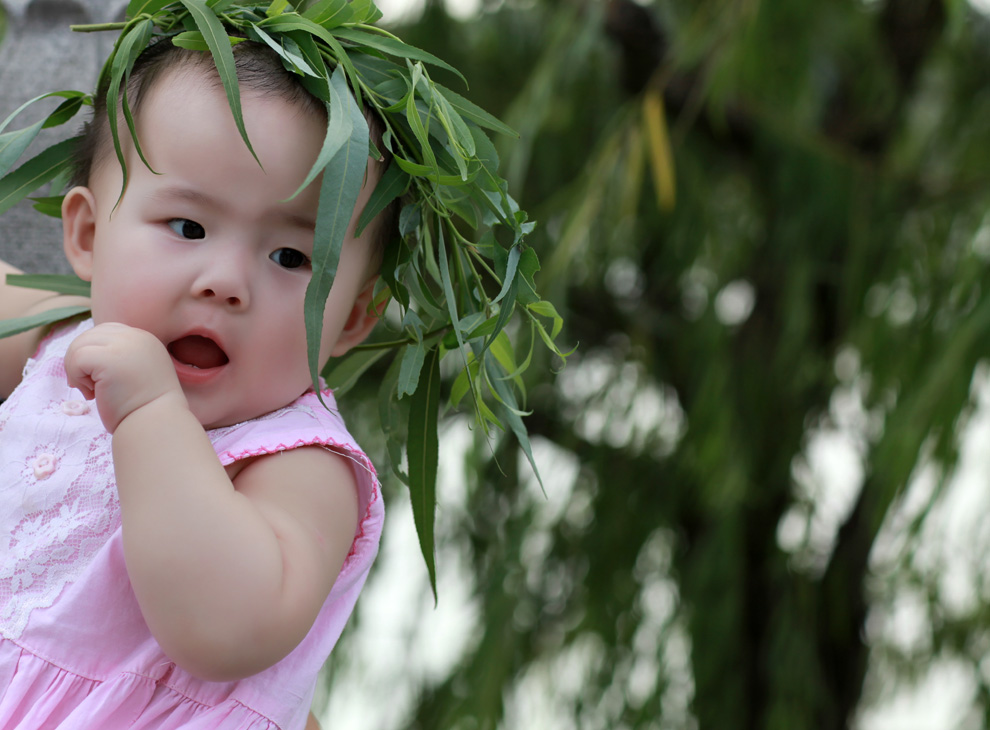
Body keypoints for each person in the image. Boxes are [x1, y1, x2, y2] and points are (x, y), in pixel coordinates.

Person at [0, 34, 390, 730]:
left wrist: (152, 413)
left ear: (355, 317)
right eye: (187, 225)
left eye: (291, 255)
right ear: (88, 236)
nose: (226, 283)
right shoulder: (65, 342)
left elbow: (225, 627)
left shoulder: (300, 463)